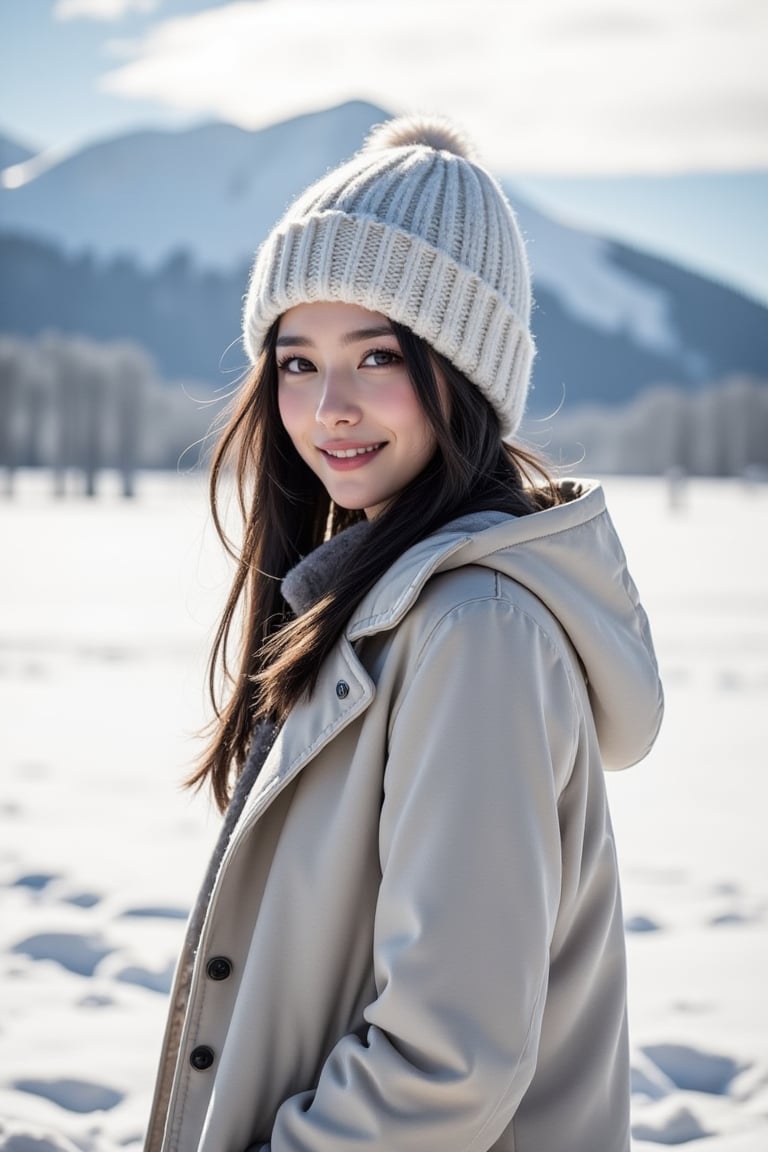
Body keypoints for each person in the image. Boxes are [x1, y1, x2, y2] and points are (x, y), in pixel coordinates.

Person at [144, 115, 663, 1152]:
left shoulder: (477, 632)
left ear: (462, 375)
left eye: (376, 355)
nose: (328, 407)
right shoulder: (375, 605)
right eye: (296, 363)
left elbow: (443, 1062)